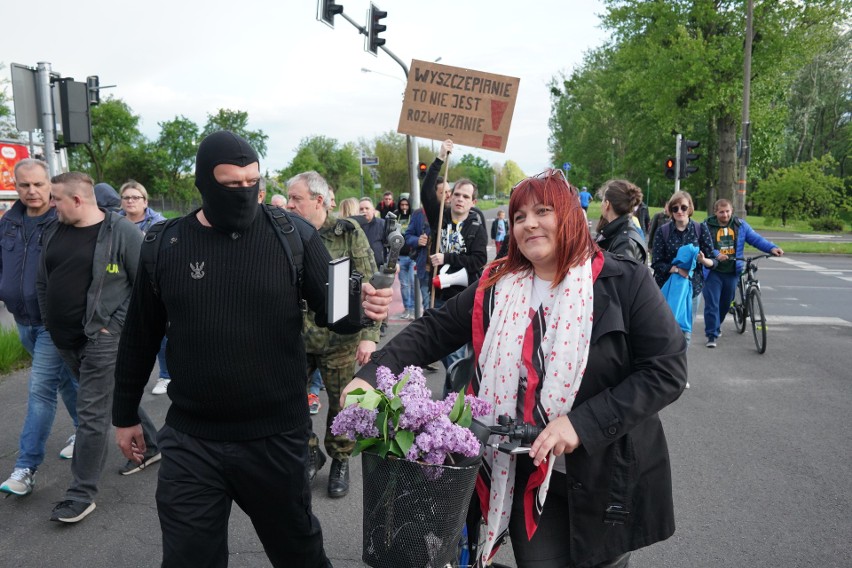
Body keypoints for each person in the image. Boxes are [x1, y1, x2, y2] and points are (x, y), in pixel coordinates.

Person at [344, 168, 687, 568]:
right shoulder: (497, 284)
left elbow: (666, 370)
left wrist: (581, 424)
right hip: (524, 470)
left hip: (604, 474)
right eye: (519, 216)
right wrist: (370, 375)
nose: (529, 224)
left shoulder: (623, 280)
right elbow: (433, 330)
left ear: (569, 216)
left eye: (542, 211)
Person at [111, 131, 390, 567]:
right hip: (192, 440)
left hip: (275, 438)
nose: (244, 193)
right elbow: (139, 336)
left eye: (252, 183)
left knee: (299, 554)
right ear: (203, 183)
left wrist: (364, 308)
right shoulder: (165, 245)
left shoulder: (292, 234)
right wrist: (125, 413)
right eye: (230, 184)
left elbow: (336, 312)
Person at [37, 171, 161, 524]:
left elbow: (146, 286)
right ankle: (151, 446)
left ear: (77, 199)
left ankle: (81, 494)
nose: (51, 205)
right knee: (112, 396)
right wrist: (50, 321)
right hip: (65, 339)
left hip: (103, 339)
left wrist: (114, 327)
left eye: (56, 198)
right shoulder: (54, 230)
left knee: (91, 412)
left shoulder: (122, 232)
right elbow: (43, 279)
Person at [286, 171, 380, 498]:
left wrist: (370, 334)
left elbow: (370, 286)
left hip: (339, 341)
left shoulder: (347, 233)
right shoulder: (285, 232)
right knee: (289, 403)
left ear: (319, 200)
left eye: (296, 199)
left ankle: (340, 458)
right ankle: (311, 451)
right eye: (288, 198)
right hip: (295, 339)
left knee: (343, 406)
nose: (289, 205)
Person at [0, 159, 78, 498]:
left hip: (52, 321)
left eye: (38, 184)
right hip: (22, 318)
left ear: (50, 184)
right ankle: (86, 429)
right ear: (15, 187)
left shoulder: (63, 221)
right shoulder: (8, 223)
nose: (32, 191)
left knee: (40, 388)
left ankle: (25, 468)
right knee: (63, 379)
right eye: (24, 185)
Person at [420, 140, 488, 379]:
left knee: (457, 354)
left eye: (465, 196)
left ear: (473, 202)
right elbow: (427, 190)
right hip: (439, 296)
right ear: (450, 197)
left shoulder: (477, 227)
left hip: (464, 297)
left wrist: (447, 257)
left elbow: (479, 259)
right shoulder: (440, 217)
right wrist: (439, 159)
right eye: (456, 194)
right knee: (448, 351)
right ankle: (456, 396)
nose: (460, 199)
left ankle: (455, 402)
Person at [702, 198, 783, 348]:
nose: (725, 215)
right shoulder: (706, 226)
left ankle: (716, 325)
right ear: (715, 212)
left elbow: (756, 239)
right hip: (713, 271)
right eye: (721, 212)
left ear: (732, 211)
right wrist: (715, 254)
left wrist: (772, 248)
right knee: (712, 304)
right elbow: (703, 244)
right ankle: (711, 335)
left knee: (725, 303)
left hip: (732, 271)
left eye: (727, 211)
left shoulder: (740, 225)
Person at [118, 180, 172, 395]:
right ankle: (127, 379)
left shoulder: (158, 223)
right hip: (122, 285)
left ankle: (166, 375)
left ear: (145, 201)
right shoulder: (114, 223)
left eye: (135, 197)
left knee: (159, 333)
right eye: (126, 197)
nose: (130, 201)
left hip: (151, 283)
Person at [651, 191, 718, 345]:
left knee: (685, 333)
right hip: (667, 288)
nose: (679, 211)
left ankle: (678, 368)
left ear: (690, 208)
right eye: (675, 208)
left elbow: (713, 261)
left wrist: (703, 260)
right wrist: (676, 270)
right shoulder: (663, 231)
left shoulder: (700, 229)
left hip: (692, 288)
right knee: (665, 331)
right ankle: (666, 366)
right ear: (670, 211)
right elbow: (656, 263)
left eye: (683, 207)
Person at [594, 179, 648, 263]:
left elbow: (619, 274)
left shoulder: (625, 241)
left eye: (602, 200)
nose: (601, 204)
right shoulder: (617, 231)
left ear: (607, 204)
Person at [395, 196, 415, 319]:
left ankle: (412, 308)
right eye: (402, 205)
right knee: (404, 284)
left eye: (406, 205)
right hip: (400, 256)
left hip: (412, 256)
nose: (404, 207)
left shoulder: (413, 216)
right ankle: (407, 307)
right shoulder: (396, 216)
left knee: (413, 283)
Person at [358, 197, 386, 267]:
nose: (364, 211)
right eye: (361, 209)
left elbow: (391, 245)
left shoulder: (382, 224)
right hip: (361, 268)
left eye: (367, 208)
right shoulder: (355, 226)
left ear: (373, 210)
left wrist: (395, 262)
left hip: (379, 267)